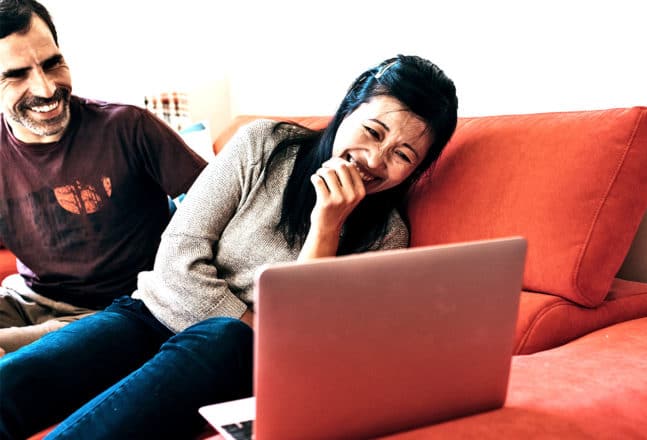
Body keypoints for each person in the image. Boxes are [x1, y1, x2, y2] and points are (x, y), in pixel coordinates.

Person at [0, 53, 458, 439]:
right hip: (149, 314)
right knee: (16, 383)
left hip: (233, 357)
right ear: (347, 109)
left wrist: (326, 226)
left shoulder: (388, 236)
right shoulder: (263, 144)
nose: (375, 160)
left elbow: (297, 344)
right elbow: (178, 254)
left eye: (402, 155)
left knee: (225, 337)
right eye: (373, 132)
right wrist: (255, 322)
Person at [0, 0, 207, 356]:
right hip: (27, 299)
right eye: (16, 75)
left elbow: (226, 208)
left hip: (122, 311)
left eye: (53, 64)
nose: (48, 89)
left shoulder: (130, 127)